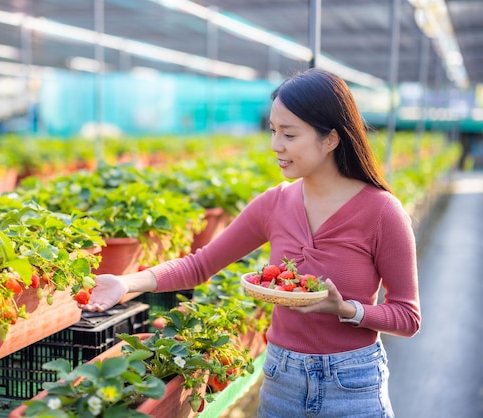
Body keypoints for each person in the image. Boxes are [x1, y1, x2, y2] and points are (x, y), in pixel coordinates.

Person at [79, 68, 421, 417]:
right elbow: (200, 265)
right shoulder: (274, 204)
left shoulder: (382, 212)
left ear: (330, 138)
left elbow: (407, 317)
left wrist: (346, 310)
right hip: (281, 378)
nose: (276, 145)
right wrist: (124, 283)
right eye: (273, 131)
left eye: (289, 134)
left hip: (352, 382)